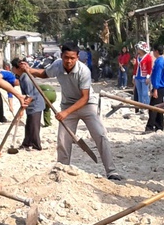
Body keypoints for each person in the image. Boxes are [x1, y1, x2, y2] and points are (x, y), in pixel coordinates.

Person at [22, 43, 122, 180]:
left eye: (72, 58)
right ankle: (61, 169)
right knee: (63, 139)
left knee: (100, 135)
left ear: (77, 57)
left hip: (87, 105)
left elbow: (85, 97)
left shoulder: (84, 71)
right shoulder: (57, 65)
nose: (69, 61)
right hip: (67, 104)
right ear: (61, 56)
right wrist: (30, 70)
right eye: (66, 57)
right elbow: (45, 73)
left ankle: (111, 171)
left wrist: (66, 113)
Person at [11, 58, 45, 150]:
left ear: (16, 68)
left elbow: (30, 95)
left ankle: (36, 145)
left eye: (13, 67)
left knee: (34, 125)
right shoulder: (22, 76)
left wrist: (23, 107)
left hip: (36, 103)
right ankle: (26, 143)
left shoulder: (26, 78)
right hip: (31, 104)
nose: (12, 69)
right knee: (29, 124)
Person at [145, 44, 164, 133]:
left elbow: (157, 76)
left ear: (156, 51)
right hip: (160, 86)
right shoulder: (160, 60)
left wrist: (155, 89)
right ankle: (159, 126)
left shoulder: (159, 62)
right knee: (159, 107)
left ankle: (150, 127)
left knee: (153, 108)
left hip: (159, 87)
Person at [133, 42, 152, 106]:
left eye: (138, 48)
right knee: (139, 93)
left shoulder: (148, 57)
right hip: (137, 77)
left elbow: (149, 68)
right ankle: (141, 107)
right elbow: (135, 67)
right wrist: (134, 77)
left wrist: (148, 77)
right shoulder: (137, 57)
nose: (137, 49)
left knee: (145, 93)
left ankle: (147, 106)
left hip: (144, 78)